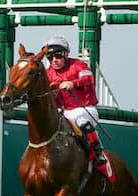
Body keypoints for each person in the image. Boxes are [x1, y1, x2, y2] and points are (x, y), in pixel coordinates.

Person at [43, 35, 107, 166]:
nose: (54, 60)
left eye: (58, 56)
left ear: (66, 54)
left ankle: (98, 151)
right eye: (50, 57)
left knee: (82, 121)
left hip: (84, 108)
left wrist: (72, 83)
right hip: (64, 111)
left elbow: (89, 79)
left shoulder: (78, 65)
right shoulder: (47, 73)